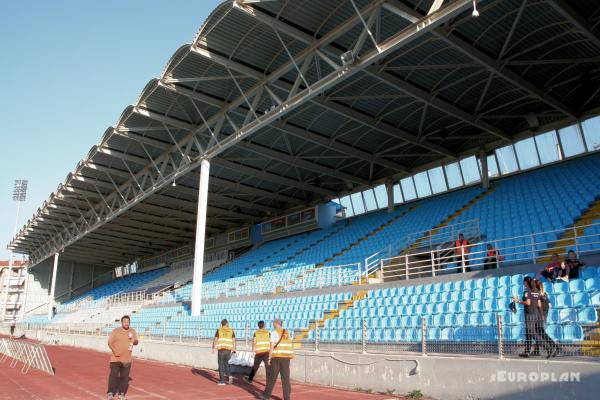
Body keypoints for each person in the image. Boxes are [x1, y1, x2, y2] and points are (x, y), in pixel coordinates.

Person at [513, 277, 551, 358]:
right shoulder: (536, 291)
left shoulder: (527, 291)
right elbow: (539, 304)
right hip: (536, 313)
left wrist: (518, 301)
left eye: (524, 282)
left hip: (529, 314)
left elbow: (528, 302)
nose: (523, 284)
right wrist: (541, 315)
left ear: (526, 282)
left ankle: (548, 347)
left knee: (532, 333)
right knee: (528, 333)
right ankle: (527, 352)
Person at [107, 315, 138, 400]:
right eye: (125, 322)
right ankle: (110, 393)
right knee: (113, 376)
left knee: (124, 378)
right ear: (121, 322)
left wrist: (134, 341)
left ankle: (121, 394)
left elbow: (136, 342)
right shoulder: (116, 331)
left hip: (127, 360)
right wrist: (114, 351)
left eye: (128, 322)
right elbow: (109, 342)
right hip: (115, 359)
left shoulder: (132, 331)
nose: (126, 323)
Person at [262, 318, 293, 400]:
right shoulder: (287, 332)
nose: (272, 324)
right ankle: (287, 398)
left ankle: (266, 395)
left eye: (273, 323)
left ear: (276, 323)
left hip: (277, 357)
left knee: (272, 377)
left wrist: (269, 358)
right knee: (286, 379)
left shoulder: (274, 333)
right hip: (286, 358)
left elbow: (271, 346)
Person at [532, 280, 560, 358]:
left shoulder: (537, 294)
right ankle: (551, 347)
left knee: (540, 332)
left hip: (540, 315)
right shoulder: (544, 294)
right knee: (539, 332)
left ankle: (554, 346)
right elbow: (550, 305)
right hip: (543, 315)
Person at [213, 319, 236, 386]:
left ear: (222, 324)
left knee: (221, 365)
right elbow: (234, 340)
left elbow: (216, 339)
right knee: (226, 363)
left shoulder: (219, 330)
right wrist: (234, 349)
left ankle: (222, 381)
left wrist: (213, 347)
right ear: (226, 323)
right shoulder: (231, 330)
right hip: (228, 349)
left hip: (221, 349)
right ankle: (229, 375)